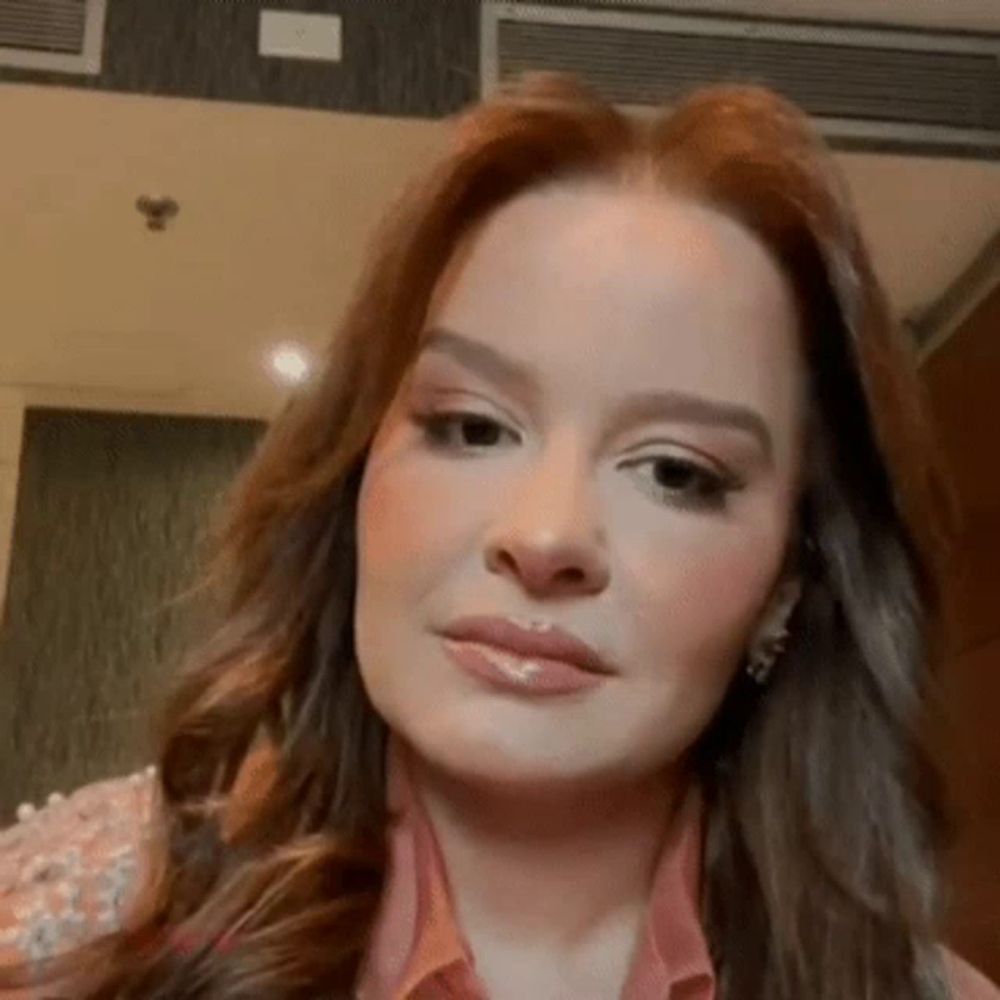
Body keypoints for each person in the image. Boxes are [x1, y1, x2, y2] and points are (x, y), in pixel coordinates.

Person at [0, 71, 997, 1000]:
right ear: (355, 471)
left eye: (677, 473)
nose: (546, 532)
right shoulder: (82, 924)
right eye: (472, 426)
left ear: (790, 577)